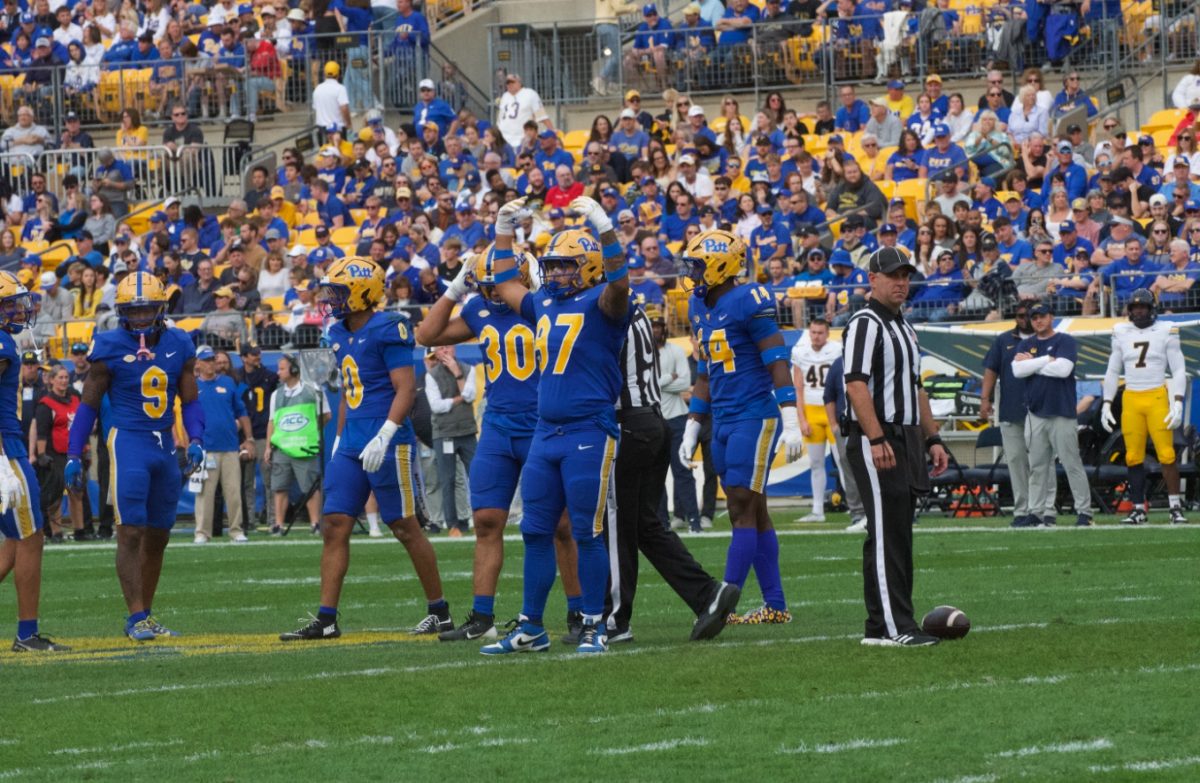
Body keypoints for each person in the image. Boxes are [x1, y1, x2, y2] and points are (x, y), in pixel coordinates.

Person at [481, 195, 632, 656]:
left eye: (566, 266)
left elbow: (621, 282)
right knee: (534, 530)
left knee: (586, 530)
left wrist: (606, 230)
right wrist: (503, 229)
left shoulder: (603, 302)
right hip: (546, 431)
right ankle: (531, 625)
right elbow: (506, 280)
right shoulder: (544, 301)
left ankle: (592, 623)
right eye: (552, 265)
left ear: (587, 267)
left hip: (590, 428)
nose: (555, 273)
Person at [279, 257, 452, 641]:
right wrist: (341, 436)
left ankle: (439, 611)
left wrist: (387, 433)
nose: (331, 299)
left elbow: (405, 388)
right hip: (353, 439)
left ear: (361, 292)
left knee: (404, 527)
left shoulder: (388, 327)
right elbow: (347, 393)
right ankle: (326, 619)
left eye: (338, 292)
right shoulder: (338, 332)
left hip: (388, 438)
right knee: (334, 524)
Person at [417, 249, 582, 640]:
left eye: (496, 283)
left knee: (560, 526)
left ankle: (578, 612)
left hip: (542, 426)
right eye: (485, 284)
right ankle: (482, 617)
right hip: (497, 427)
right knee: (486, 522)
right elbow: (426, 335)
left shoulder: (543, 306)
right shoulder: (477, 309)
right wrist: (456, 286)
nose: (491, 291)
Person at [66, 272, 205, 641]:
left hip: (164, 444)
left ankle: (147, 613)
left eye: (147, 310)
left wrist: (196, 439)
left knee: (159, 534)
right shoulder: (108, 345)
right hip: (128, 441)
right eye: (133, 310)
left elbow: (190, 400)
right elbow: (87, 407)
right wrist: (72, 453)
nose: (140, 317)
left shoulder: (179, 342)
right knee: (130, 531)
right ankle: (135, 616)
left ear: (161, 309)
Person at [677, 228, 803, 626]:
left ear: (720, 266)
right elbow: (705, 371)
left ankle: (721, 600)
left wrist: (790, 417)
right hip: (724, 417)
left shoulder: (750, 299)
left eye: (699, 265)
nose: (693, 273)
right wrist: (693, 424)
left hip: (754, 414)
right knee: (756, 509)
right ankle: (776, 605)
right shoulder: (699, 305)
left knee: (739, 506)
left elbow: (777, 360)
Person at [606, 298, 736, 643]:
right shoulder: (630, 313)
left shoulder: (606, 311)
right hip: (653, 421)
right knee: (646, 526)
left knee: (616, 525)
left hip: (628, 424)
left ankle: (614, 619)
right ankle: (707, 593)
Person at [841, 246, 950, 647]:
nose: (901, 283)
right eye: (893, 276)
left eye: (905, 276)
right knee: (888, 533)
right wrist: (876, 437)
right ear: (873, 279)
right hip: (878, 435)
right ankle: (896, 626)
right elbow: (855, 384)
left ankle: (880, 626)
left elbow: (915, 387)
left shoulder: (904, 326)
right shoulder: (865, 323)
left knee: (896, 533)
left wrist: (932, 436)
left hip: (902, 434)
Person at [0, 272, 68, 651]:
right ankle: (27, 634)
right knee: (30, 537)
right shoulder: (2, 345)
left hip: (6, 448)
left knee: (15, 538)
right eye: (8, 303)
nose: (16, 310)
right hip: (5, 449)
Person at [1100, 290, 1188, 526]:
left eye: (1143, 307)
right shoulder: (1120, 331)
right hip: (1131, 398)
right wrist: (1107, 402)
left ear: (1152, 309)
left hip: (1157, 395)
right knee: (1133, 456)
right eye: (1135, 308)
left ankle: (1175, 507)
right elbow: (1112, 369)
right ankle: (1138, 508)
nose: (1138, 311)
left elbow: (1178, 369)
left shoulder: (1166, 329)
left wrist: (1177, 401)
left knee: (1167, 455)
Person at [1011, 301, 1092, 527]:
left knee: (1071, 462)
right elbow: (1017, 370)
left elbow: (1063, 369)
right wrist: (1047, 360)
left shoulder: (1064, 340)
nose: (1038, 320)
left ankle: (1084, 511)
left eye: (1042, 316)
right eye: (1034, 317)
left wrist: (1034, 364)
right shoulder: (1027, 343)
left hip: (1062, 412)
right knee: (1037, 467)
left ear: (1051, 317)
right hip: (1036, 412)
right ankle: (1036, 512)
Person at [981, 302, 1036, 527]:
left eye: (1028, 315)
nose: (1023, 319)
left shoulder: (1044, 339)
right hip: (1010, 409)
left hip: (1038, 409)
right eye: (1020, 315)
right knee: (1015, 461)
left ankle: (1040, 509)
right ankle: (1021, 510)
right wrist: (985, 400)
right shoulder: (1003, 340)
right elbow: (991, 370)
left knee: (1039, 462)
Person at [263, 353, 329, 537]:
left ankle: (316, 523)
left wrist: (309, 432)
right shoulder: (276, 394)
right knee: (279, 487)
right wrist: (269, 446)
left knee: (310, 487)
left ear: (294, 370)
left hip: (304, 447)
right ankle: (278, 524)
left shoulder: (313, 390)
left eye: (282, 368)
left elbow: (326, 415)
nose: (278, 372)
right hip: (282, 447)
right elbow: (272, 422)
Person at [790, 318, 842, 523]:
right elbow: (798, 387)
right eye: (813, 332)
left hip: (833, 410)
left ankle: (859, 509)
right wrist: (801, 418)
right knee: (816, 463)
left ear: (828, 333)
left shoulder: (837, 350)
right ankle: (818, 509)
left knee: (843, 461)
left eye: (820, 332)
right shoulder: (800, 351)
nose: (816, 336)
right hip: (812, 410)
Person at [423, 344, 477, 536]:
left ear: (454, 349)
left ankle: (478, 518)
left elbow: (470, 395)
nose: (445, 352)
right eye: (441, 349)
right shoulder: (431, 375)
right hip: (444, 432)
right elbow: (437, 406)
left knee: (477, 475)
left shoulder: (468, 369)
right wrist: (458, 399)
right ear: (436, 353)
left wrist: (457, 374)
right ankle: (452, 523)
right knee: (448, 479)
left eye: (448, 347)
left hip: (467, 431)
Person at [823, 356, 866, 532]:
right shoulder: (838, 364)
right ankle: (857, 513)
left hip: (871, 423)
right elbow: (828, 396)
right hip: (845, 425)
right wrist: (833, 425)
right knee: (848, 467)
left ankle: (879, 512)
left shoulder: (868, 359)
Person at [236, 344, 277, 532]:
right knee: (246, 482)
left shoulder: (269, 376)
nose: (257, 356)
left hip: (263, 434)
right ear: (244, 357)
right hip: (243, 436)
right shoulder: (236, 377)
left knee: (270, 480)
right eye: (253, 354)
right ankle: (248, 519)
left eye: (259, 353)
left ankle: (273, 519)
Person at [496, 73, 552, 149]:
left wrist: (552, 132)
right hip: (504, 140)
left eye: (512, 82)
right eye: (507, 83)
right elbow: (500, 119)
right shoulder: (505, 96)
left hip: (521, 140)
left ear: (519, 82)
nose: (509, 85)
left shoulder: (530, 94)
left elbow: (541, 115)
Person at [311, 61, 351, 134]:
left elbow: (315, 109)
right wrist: (349, 124)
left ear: (324, 73)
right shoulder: (340, 88)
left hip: (321, 128)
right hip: (338, 128)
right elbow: (344, 108)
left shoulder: (317, 89)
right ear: (338, 73)